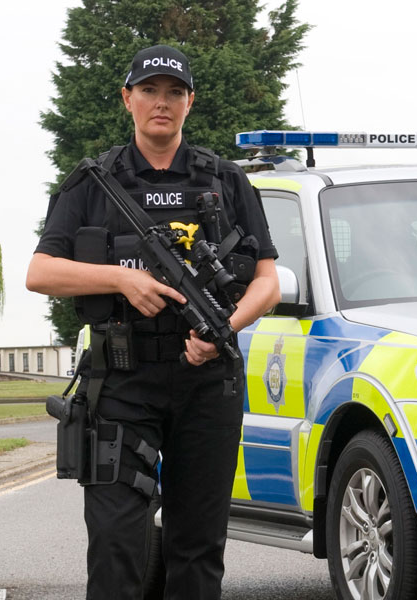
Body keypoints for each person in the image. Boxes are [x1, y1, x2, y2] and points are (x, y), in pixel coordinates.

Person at [27, 44, 280, 599]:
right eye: (148, 91)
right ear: (128, 99)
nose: (160, 103)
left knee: (198, 547)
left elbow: (268, 281)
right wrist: (120, 279)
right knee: (117, 545)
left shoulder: (226, 181)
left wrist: (223, 330)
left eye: (173, 93)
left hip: (206, 384)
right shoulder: (92, 184)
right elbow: (40, 273)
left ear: (190, 102)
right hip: (122, 381)